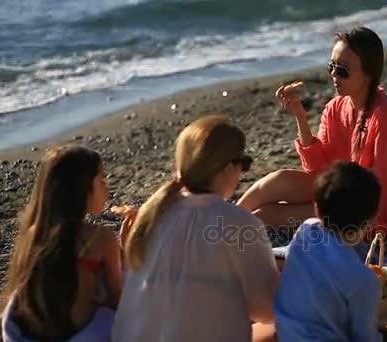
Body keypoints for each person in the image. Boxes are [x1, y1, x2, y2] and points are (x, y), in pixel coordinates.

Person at [237, 27, 387, 248]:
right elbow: (318, 170)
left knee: (265, 215)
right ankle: (224, 219)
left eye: (343, 71)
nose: (333, 76)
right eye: (332, 67)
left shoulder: (386, 114)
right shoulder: (335, 108)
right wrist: (301, 118)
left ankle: (220, 237)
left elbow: (382, 188)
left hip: (366, 213)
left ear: (368, 73)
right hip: (337, 192)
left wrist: (367, 232)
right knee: (277, 180)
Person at [112, 116, 279, 341]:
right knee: (292, 323)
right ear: (228, 167)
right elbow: (268, 310)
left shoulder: (150, 217)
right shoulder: (237, 223)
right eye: (244, 164)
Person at [0, 145, 122, 341]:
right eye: (102, 180)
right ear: (82, 190)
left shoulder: (32, 234)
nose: (107, 187)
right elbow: (118, 299)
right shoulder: (100, 237)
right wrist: (128, 243)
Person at [275, 161, 383, 342]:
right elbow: (365, 337)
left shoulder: (305, 232)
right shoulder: (363, 280)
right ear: (369, 222)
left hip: (286, 335)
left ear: (317, 208)